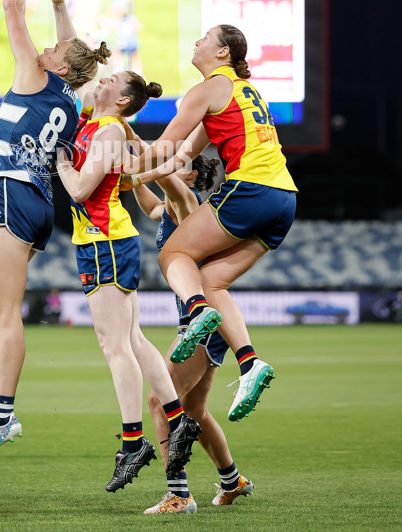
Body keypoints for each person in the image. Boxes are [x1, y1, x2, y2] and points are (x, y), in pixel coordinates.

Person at [0, 0, 110, 463]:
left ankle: (3, 416)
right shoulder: (72, 92)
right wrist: (63, 7)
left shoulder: (33, 73)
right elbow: (77, 52)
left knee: (4, 314)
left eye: (54, 47)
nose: (47, 45)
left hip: (14, 193)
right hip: (35, 199)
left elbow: (14, 11)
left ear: (60, 65)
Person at [124, 24, 297, 422]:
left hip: (251, 187)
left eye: (205, 37)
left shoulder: (207, 89)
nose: (197, 41)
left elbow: (164, 146)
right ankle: (250, 363)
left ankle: (197, 311)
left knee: (173, 254)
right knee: (212, 281)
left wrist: (116, 167)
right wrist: (134, 177)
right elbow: (179, 157)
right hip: (284, 199)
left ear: (223, 53)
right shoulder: (238, 92)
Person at [54, 64, 202, 494]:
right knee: (134, 340)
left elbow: (81, 190)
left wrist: (62, 164)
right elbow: (134, 168)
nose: (102, 79)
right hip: (104, 240)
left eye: (111, 80)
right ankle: (178, 420)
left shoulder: (109, 132)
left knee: (114, 345)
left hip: (105, 242)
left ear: (121, 101)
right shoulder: (94, 122)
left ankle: (133, 442)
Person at [130, 155, 254, 512]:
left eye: (178, 161)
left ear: (193, 175)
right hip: (202, 324)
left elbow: (163, 179)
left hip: (200, 324)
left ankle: (179, 494)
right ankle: (233, 482)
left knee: (158, 400)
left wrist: (134, 156)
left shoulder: (189, 203)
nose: (169, 165)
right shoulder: (170, 209)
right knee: (194, 408)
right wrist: (136, 178)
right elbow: (151, 204)